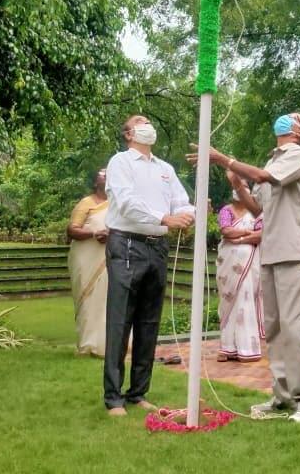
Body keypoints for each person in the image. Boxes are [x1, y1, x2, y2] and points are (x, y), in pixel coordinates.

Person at [188, 111, 300, 423]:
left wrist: (222, 159)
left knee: (293, 326)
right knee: (275, 328)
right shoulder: (273, 161)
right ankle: (283, 396)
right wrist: (238, 184)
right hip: (270, 251)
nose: (286, 117)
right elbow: (258, 207)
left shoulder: (297, 154)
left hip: (292, 251)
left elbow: (264, 178)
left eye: (295, 117)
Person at [102, 114, 195, 416]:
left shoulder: (165, 169)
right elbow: (126, 202)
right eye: (139, 121)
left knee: (149, 322)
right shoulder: (121, 163)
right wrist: (164, 218)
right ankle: (113, 397)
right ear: (128, 133)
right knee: (121, 320)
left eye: (148, 121)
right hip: (128, 243)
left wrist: (188, 213)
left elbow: (180, 200)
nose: (147, 125)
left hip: (157, 246)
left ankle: (138, 392)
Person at [216, 189, 264, 362]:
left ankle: (247, 348)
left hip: (249, 265)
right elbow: (226, 231)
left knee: (245, 301)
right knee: (229, 304)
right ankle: (227, 348)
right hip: (228, 265)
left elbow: (260, 235)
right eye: (237, 187)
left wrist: (240, 239)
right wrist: (248, 233)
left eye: (244, 187)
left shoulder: (256, 212)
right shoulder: (226, 210)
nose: (239, 190)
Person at [67, 168, 109, 357]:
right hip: (86, 258)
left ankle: (106, 345)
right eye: (102, 173)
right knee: (88, 299)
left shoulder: (117, 204)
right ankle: (87, 344)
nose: (107, 175)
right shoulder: (86, 203)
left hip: (109, 258)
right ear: (95, 182)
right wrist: (94, 234)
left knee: (106, 301)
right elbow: (72, 230)